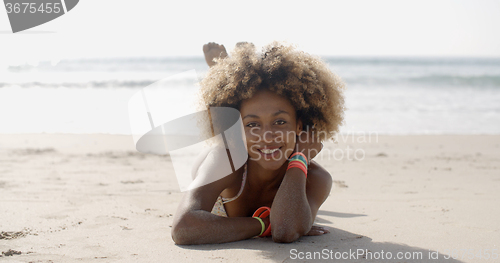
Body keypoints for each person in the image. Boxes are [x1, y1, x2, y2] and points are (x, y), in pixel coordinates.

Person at [171, 41, 345, 245]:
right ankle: (222, 69)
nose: (267, 136)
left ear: (300, 125)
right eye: (253, 124)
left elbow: (285, 230)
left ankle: (230, 75)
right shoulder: (226, 159)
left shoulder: (317, 178)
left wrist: (300, 158)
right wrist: (264, 224)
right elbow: (184, 227)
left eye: (279, 122)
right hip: (225, 158)